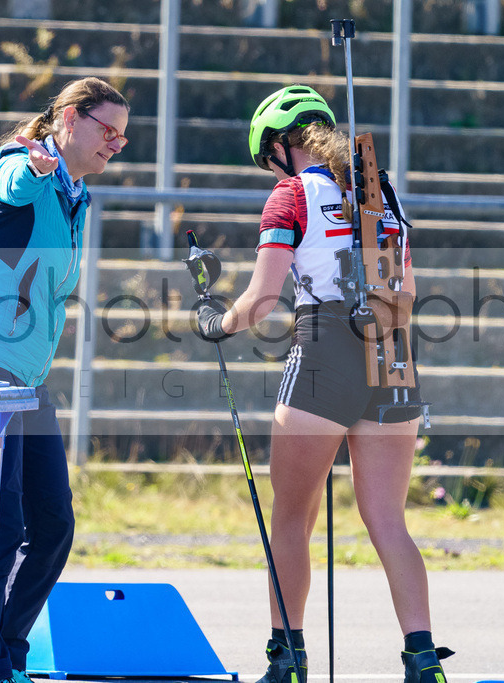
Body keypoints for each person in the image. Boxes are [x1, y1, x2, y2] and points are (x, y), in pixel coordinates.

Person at [196, 85, 452, 683]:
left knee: (292, 520)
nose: (269, 170)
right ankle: (422, 662)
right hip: (393, 349)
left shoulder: (290, 195)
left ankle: (288, 661)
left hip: (324, 347)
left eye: (267, 158)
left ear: (283, 146)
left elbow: (261, 299)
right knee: (389, 521)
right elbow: (407, 292)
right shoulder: (381, 191)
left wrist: (218, 322)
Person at [0, 76, 130, 683]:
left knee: (53, 525)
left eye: (123, 138)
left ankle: (8, 655)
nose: (116, 145)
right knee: (2, 526)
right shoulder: (20, 165)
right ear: (69, 119)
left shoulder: (76, 193)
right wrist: (34, 159)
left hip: (25, 378)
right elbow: (17, 176)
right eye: (107, 131)